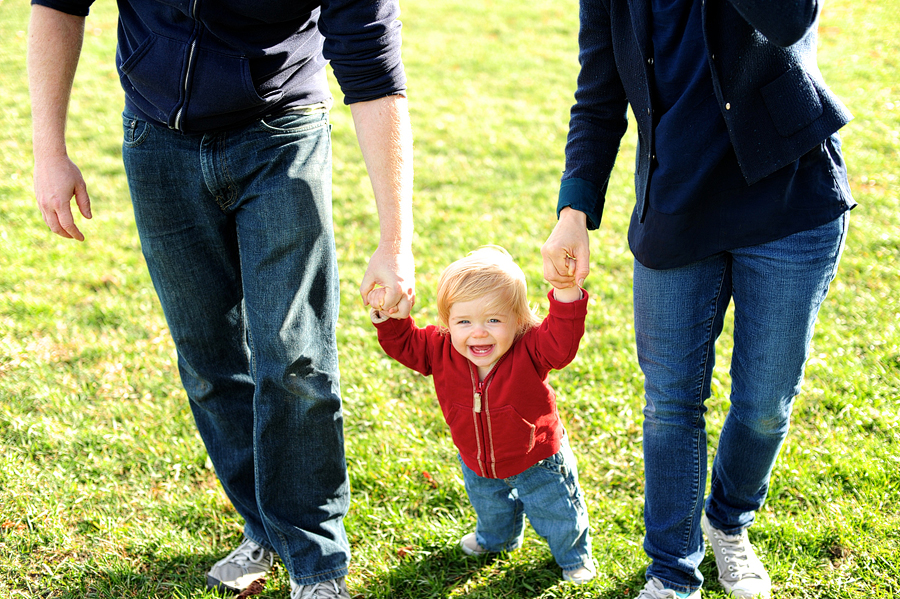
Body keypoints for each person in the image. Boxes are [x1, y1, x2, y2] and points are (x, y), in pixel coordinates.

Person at [28, 0, 415, 597]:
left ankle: (316, 565)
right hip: (156, 139)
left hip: (281, 131)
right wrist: (49, 150)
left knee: (294, 358)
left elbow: (371, 61)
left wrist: (395, 241)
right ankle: (264, 525)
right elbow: (58, 4)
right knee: (208, 358)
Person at [541, 1, 854, 598]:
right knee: (670, 402)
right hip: (677, 206)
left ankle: (728, 520)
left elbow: (789, 20)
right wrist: (574, 209)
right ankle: (671, 571)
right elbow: (599, 93)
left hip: (788, 200)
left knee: (765, 404)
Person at [369, 246, 596, 584]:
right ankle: (497, 540)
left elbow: (561, 343)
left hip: (537, 458)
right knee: (491, 507)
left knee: (557, 511)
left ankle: (575, 556)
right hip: (477, 458)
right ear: (447, 322)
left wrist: (565, 292)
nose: (478, 332)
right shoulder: (439, 347)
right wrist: (391, 317)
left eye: (493, 320)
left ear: (517, 320)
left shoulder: (530, 346)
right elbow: (404, 345)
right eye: (464, 321)